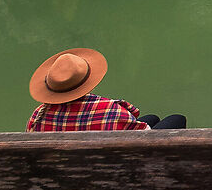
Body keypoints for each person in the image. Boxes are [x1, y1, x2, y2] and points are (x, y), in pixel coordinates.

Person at [26, 48, 186, 131]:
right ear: (87, 82)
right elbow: (145, 139)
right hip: (114, 174)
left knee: (152, 117)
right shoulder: (109, 110)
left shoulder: (38, 116)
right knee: (177, 119)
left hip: (63, 176)